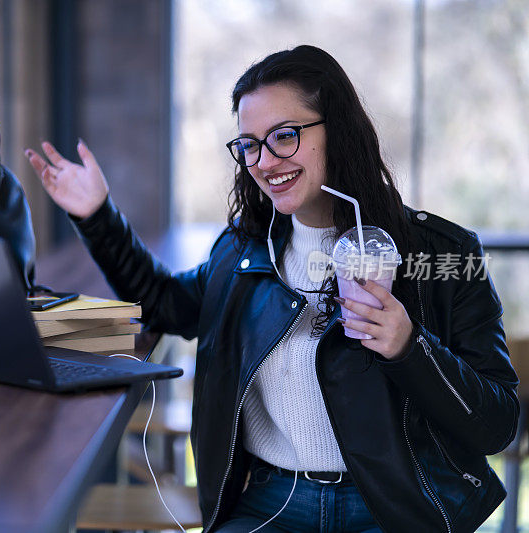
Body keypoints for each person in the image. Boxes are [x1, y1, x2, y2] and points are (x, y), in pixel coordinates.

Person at [25, 45, 519, 533]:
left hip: (394, 511)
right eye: (250, 144)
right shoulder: (245, 253)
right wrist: (96, 216)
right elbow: (165, 305)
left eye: (285, 136)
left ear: (339, 131)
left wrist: (410, 347)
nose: (263, 161)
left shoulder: (443, 255)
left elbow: (497, 424)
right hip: (274, 505)